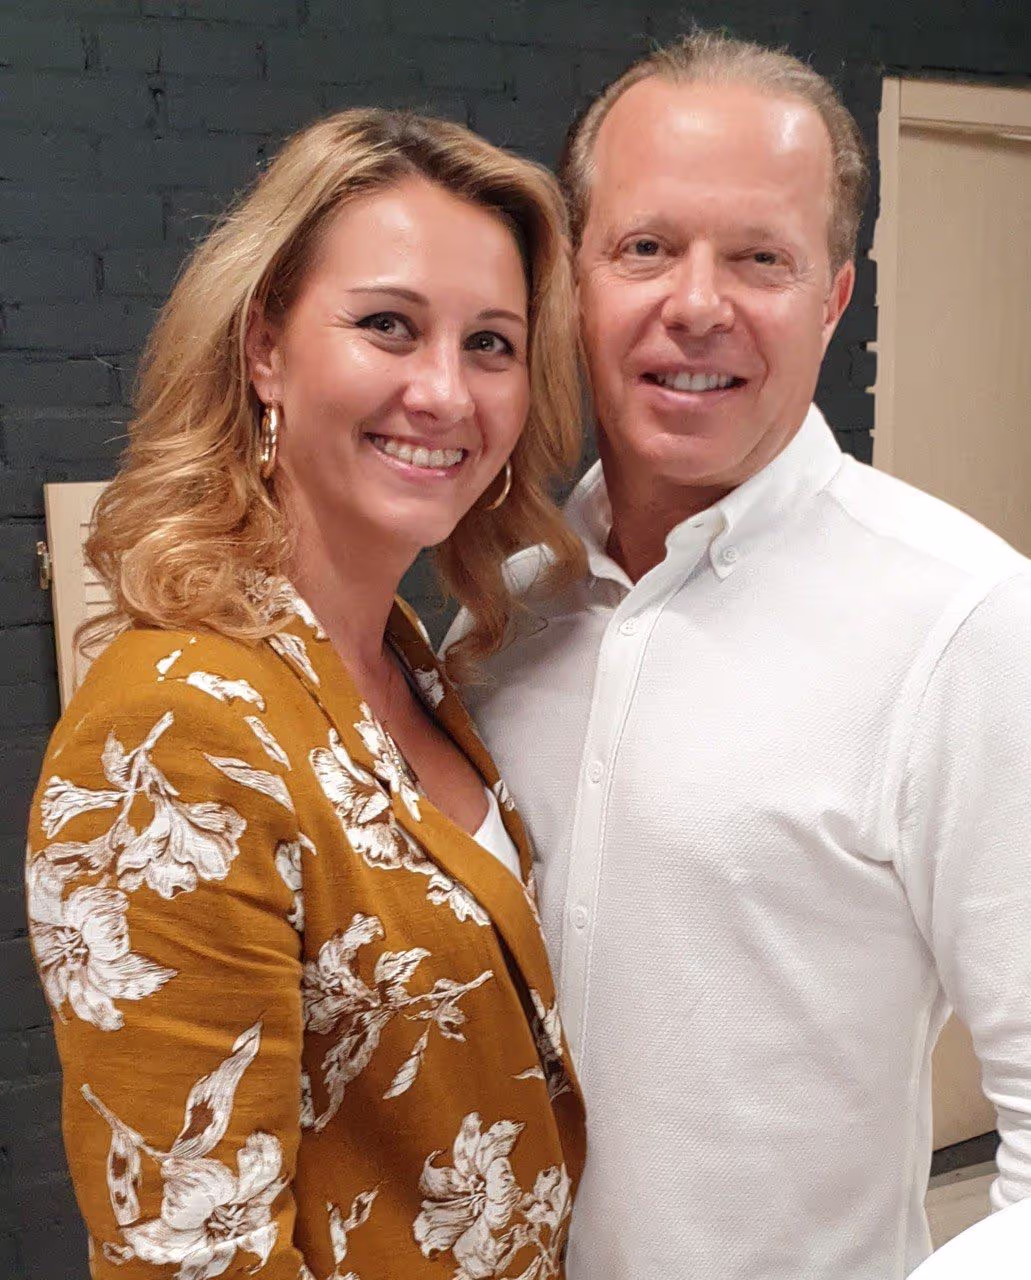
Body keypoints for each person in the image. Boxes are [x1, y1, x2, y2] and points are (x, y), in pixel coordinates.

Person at [446, 30, 1031, 1280]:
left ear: (832, 296)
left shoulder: (963, 623)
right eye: (645, 247)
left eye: (760, 257)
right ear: (574, 281)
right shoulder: (504, 609)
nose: (696, 303)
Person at [26, 108, 588, 1280]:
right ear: (264, 347)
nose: (444, 391)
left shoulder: (402, 658)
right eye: (388, 325)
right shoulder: (173, 726)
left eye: (490, 343)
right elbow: (191, 1255)